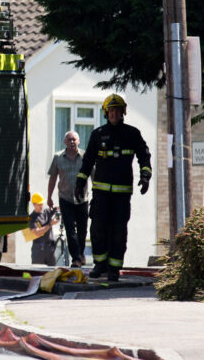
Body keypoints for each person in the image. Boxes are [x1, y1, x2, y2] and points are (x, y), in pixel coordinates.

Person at [75, 94, 151, 282]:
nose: (114, 113)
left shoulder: (132, 134)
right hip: (100, 194)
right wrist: (79, 182)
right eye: (111, 110)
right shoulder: (97, 134)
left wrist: (145, 175)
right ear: (106, 112)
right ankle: (99, 265)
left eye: (117, 110)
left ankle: (114, 269)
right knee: (98, 229)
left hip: (121, 195)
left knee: (118, 232)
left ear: (123, 112)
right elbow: (87, 161)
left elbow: (144, 155)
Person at [47, 131, 89, 268]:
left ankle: (81, 251)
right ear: (65, 142)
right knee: (70, 230)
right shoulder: (58, 157)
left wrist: (98, 194)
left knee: (82, 230)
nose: (72, 142)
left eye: (74, 140)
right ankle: (76, 258)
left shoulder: (85, 157)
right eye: (69, 140)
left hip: (82, 199)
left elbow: (94, 175)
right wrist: (49, 197)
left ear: (79, 141)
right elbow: (53, 178)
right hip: (65, 199)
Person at [28, 192, 60, 266]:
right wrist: (50, 224)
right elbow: (37, 232)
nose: (41, 206)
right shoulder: (32, 218)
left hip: (50, 248)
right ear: (33, 204)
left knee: (52, 272)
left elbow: (58, 208)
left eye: (41, 203)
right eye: (39, 204)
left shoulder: (47, 212)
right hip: (39, 249)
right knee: (38, 272)